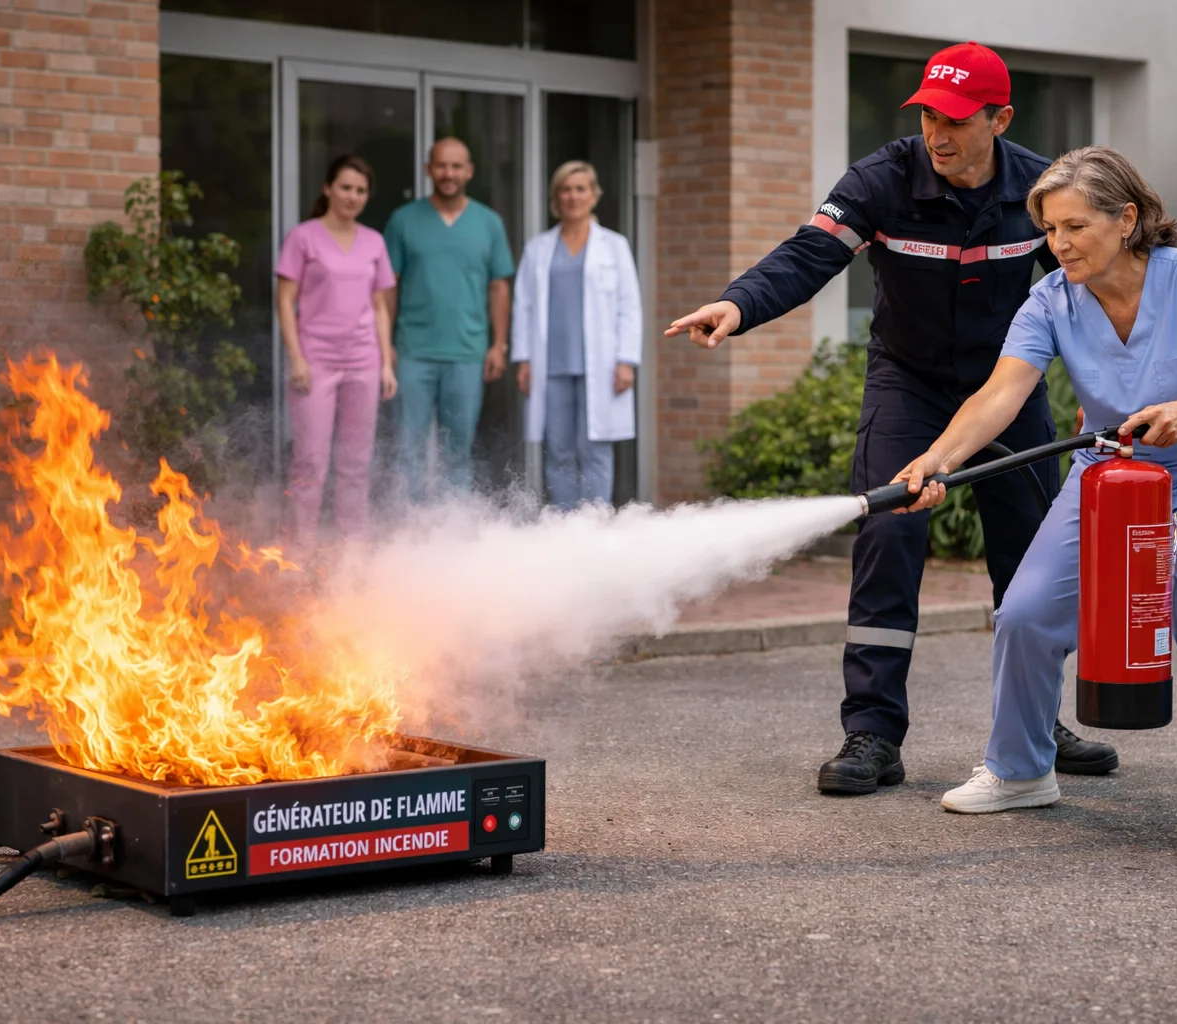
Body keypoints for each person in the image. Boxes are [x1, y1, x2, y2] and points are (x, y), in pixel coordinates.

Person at [666, 41, 1118, 795]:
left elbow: (1088, 288)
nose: (938, 132)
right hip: (907, 385)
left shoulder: (1040, 192)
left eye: (956, 118)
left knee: (1033, 556)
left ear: (999, 118)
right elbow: (808, 255)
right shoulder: (880, 180)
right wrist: (738, 303)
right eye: (928, 115)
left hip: (1006, 387)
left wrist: (1102, 384)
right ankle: (871, 731)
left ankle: (1033, 724)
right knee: (889, 535)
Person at [895, 146, 1177, 861]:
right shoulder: (1051, 299)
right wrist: (937, 461)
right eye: (1050, 230)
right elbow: (1000, 394)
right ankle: (1022, 771)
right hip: (1110, 479)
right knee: (1024, 614)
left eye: (1075, 226)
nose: (1060, 244)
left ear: (1129, 219)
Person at [276, 153, 397, 551]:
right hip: (315, 360)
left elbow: (380, 305)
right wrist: (296, 358)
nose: (353, 196)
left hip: (363, 360)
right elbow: (285, 301)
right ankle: (301, 549)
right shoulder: (303, 237)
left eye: (361, 191)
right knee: (310, 461)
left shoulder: (374, 241)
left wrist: (386, 363)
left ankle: (351, 551)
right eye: (346, 187)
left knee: (356, 463)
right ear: (328, 188)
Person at [383, 137, 516, 500]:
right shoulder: (403, 220)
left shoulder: (488, 223)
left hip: (467, 354)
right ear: (429, 169)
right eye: (441, 165)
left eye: (457, 166)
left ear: (469, 171)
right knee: (408, 451)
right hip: (413, 353)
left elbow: (499, 287)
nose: (449, 173)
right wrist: (388, 348)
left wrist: (498, 345)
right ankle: (407, 534)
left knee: (458, 453)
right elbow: (387, 287)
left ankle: (449, 535)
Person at [511, 161, 642, 509]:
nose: (573, 196)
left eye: (580, 188)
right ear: (556, 197)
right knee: (558, 451)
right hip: (550, 364)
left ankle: (595, 527)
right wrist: (523, 359)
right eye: (565, 189)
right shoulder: (538, 248)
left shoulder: (614, 246)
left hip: (600, 363)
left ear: (594, 195)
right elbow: (523, 305)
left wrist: (627, 360)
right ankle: (564, 528)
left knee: (596, 449)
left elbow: (630, 306)